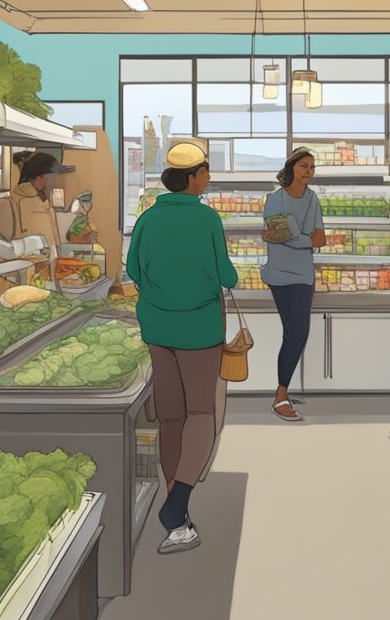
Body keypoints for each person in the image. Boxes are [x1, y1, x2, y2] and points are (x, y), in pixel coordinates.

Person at [125, 142, 238, 555]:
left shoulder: (149, 218)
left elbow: (133, 268)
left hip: (157, 327)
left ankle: (179, 520)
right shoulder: (207, 219)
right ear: (191, 178)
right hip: (198, 329)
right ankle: (176, 506)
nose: (208, 178)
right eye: (206, 173)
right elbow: (226, 274)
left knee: (169, 418)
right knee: (201, 414)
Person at [261, 148, 326, 422]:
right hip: (277, 274)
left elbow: (320, 239)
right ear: (292, 168)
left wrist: (292, 233)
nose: (308, 172)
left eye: (312, 167)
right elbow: (272, 235)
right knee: (292, 334)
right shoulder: (275, 199)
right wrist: (301, 237)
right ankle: (282, 395)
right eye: (304, 166)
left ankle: (281, 391)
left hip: (302, 276)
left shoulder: (312, 199)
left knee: (298, 333)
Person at [0, 152, 73, 277]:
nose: (55, 182)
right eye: (53, 177)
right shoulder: (11, 203)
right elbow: (2, 244)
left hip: (48, 271)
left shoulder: (43, 199)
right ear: (40, 177)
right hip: (26, 273)